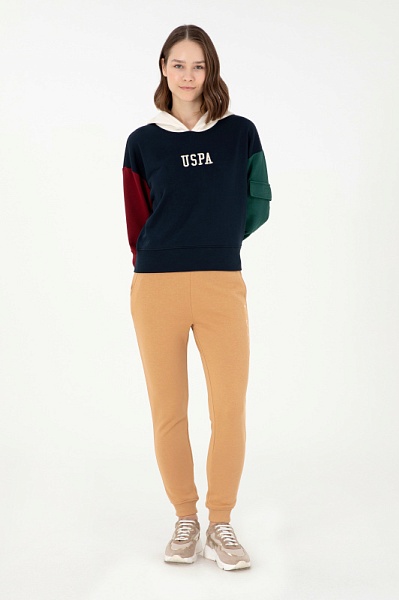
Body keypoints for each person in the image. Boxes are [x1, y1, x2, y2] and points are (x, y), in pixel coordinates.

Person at [122, 24, 272, 571]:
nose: (188, 76)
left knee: (229, 408)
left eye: (198, 65)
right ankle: (185, 518)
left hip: (219, 284)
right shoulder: (143, 142)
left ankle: (221, 522)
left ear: (211, 71)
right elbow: (137, 217)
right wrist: (166, 250)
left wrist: (217, 241)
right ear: (163, 68)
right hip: (156, 287)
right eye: (178, 64)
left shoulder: (240, 134)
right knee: (169, 411)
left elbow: (259, 202)